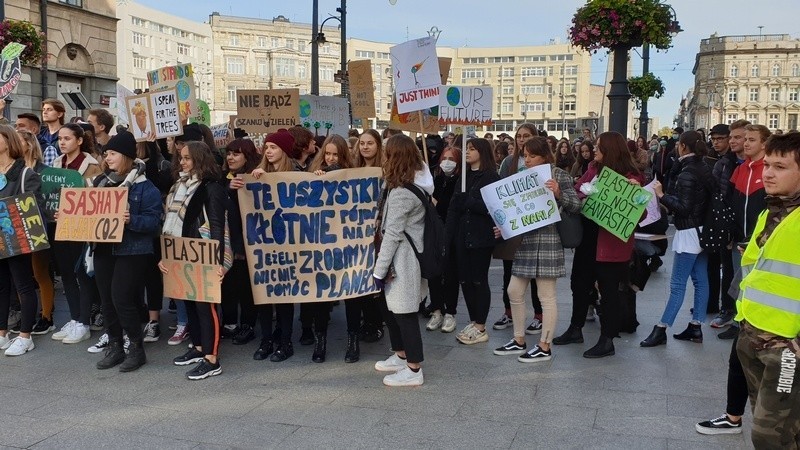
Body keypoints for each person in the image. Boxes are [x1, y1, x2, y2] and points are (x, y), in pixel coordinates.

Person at [734, 131, 800, 448]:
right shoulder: (771, 212)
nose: (768, 173)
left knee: (769, 436)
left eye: (781, 166)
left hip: (786, 348)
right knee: (784, 430)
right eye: (768, 164)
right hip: (753, 335)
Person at [553, 131, 645, 358]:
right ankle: (576, 328)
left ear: (611, 150)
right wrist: (584, 192)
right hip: (588, 238)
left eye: (598, 146)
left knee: (609, 291)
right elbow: (576, 192)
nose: (594, 149)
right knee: (579, 284)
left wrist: (633, 194)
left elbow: (641, 214)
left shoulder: (632, 176)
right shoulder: (593, 169)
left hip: (611, 244)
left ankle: (607, 339)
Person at [493, 137, 581, 362]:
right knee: (514, 290)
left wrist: (559, 193)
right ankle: (519, 339)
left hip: (549, 241)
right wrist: (504, 228)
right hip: (526, 241)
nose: (528, 160)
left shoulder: (559, 174)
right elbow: (516, 210)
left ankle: (545, 345)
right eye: (525, 155)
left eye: (532, 155)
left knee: (546, 296)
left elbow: (576, 205)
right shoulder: (522, 177)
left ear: (544, 155)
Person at [90, 131, 160, 372]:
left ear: (127, 156)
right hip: (103, 248)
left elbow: (154, 223)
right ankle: (116, 346)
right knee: (107, 300)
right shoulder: (100, 182)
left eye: (112, 154)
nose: (107, 158)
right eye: (106, 153)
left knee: (122, 298)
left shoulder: (145, 187)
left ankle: (136, 349)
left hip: (132, 249)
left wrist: (133, 220)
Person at [160, 141, 226, 380]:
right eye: (181, 158)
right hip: (180, 251)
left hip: (202, 253)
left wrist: (217, 261)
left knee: (205, 307)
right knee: (188, 302)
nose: (183, 162)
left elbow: (217, 225)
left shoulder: (211, 187)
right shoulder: (179, 184)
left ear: (199, 159)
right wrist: (166, 254)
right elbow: (169, 219)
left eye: (188, 158)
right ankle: (198, 348)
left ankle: (212, 358)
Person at [640, 131, 713, 347]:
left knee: (678, 283)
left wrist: (662, 195)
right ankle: (696, 326)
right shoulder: (705, 167)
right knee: (701, 280)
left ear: (682, 146)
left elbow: (683, 207)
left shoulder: (687, 172)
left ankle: (662, 327)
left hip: (689, 231)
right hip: (702, 230)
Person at [372, 134, 431, 387]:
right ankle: (400, 354)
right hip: (401, 259)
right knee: (391, 309)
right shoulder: (398, 186)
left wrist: (379, 269)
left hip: (403, 260)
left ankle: (414, 368)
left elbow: (392, 234)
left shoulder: (403, 193)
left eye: (387, 152)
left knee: (405, 313)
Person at [249, 129, 302, 362]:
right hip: (264, 244)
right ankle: (266, 340)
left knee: (284, 296)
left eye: (273, 147)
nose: (268, 151)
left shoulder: (298, 175)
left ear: (284, 151)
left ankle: (285, 342)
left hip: (288, 244)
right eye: (267, 147)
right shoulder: (258, 174)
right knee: (264, 294)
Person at [49, 123, 103, 345]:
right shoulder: (55, 164)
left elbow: (96, 199)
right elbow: (50, 194)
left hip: (82, 227)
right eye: (60, 138)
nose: (62, 142)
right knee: (67, 274)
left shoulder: (91, 166)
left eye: (67, 138)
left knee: (82, 274)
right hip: (61, 226)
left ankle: (84, 323)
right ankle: (74, 318)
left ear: (79, 141)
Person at [305, 134, 355, 363]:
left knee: (352, 292)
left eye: (336, 154)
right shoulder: (313, 175)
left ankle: (353, 341)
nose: (331, 158)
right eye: (328, 153)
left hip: (347, 246)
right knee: (321, 295)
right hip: (322, 246)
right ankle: (320, 341)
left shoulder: (354, 177)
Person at [446, 138, 499, 345]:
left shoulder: (492, 177)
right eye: (466, 149)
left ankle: (481, 325)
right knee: (465, 280)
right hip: (462, 234)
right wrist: (448, 235)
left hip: (480, 235)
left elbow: (493, 208)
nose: (467, 152)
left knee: (479, 279)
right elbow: (453, 206)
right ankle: (473, 319)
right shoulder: (464, 176)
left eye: (472, 149)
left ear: (482, 152)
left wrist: (470, 202)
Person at [493, 123, 544, 333]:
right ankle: (509, 312)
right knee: (509, 271)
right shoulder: (508, 162)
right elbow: (501, 190)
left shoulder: (542, 162)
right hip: (514, 222)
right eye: (519, 136)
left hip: (535, 222)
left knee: (535, 273)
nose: (522, 140)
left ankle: (539, 315)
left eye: (527, 136)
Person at [0, 125, 42, 356]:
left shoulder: (25, 173)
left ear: (8, 141)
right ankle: (2, 332)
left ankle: (26, 335)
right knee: (1, 286)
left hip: (16, 238)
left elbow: (33, 207)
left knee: (23, 285)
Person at [221, 139, 261, 348]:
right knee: (229, 284)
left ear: (247, 156)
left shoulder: (255, 177)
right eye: (228, 153)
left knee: (246, 286)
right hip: (228, 242)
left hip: (249, 242)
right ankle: (229, 323)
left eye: (236, 154)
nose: (230, 158)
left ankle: (248, 324)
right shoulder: (222, 179)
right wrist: (228, 189)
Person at [17, 130, 56, 335]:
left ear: (29, 144)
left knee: (40, 273)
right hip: (17, 228)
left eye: (19, 140)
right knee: (23, 275)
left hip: (37, 225)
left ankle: (47, 316)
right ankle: (27, 316)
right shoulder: (14, 169)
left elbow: (47, 201)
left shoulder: (43, 170)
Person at [425, 146, 461, 334]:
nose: (447, 161)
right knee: (434, 274)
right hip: (434, 233)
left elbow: (451, 207)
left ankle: (450, 312)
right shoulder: (436, 180)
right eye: (444, 157)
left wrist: (436, 203)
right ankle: (437, 310)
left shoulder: (460, 182)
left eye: (451, 158)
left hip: (451, 234)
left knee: (450, 274)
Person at [38, 99, 66, 167]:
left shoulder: (66, 132)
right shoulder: (40, 133)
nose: (45, 112)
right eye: (43, 109)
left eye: (49, 109)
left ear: (59, 114)